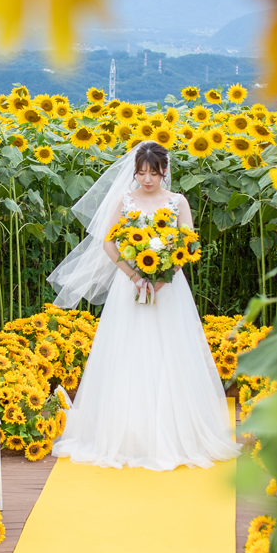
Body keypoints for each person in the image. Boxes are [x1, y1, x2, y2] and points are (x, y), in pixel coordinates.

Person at [47, 142, 240, 470]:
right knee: (129, 351)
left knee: (169, 352)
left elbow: (187, 242)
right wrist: (134, 274)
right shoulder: (126, 200)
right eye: (141, 172)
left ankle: (176, 433)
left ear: (165, 170)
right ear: (134, 171)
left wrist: (163, 276)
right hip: (131, 286)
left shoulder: (178, 202)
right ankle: (126, 434)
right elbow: (108, 241)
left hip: (169, 289)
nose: (147, 178)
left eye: (154, 172)